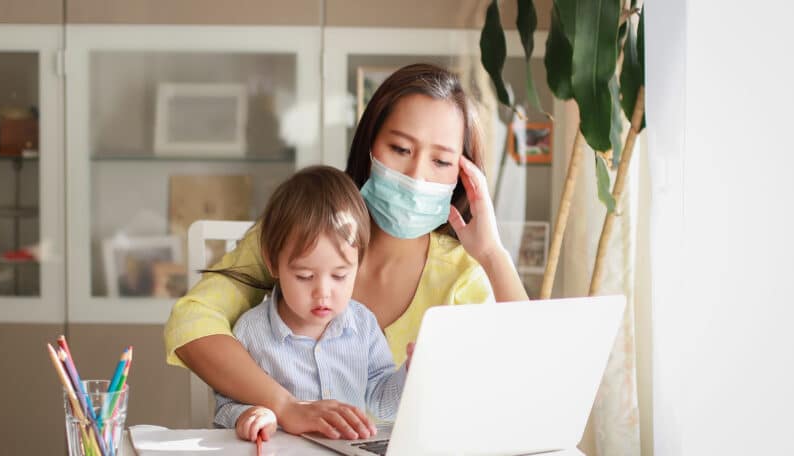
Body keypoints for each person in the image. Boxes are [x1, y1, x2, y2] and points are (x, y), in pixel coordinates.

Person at [164, 63, 528, 440]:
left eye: (441, 161)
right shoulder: (296, 231)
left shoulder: (461, 273)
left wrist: (492, 254)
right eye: (401, 148)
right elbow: (191, 323)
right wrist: (285, 407)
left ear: (463, 176)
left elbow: (528, 378)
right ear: (369, 145)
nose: (417, 176)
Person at [211, 166, 409, 443]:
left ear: (358, 264)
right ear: (272, 262)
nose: (323, 293)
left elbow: (381, 402)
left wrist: (411, 371)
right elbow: (225, 407)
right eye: (304, 276)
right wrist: (251, 414)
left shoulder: (363, 324)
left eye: (340, 275)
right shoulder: (251, 331)